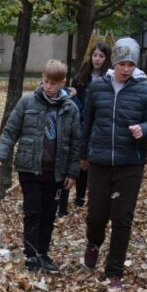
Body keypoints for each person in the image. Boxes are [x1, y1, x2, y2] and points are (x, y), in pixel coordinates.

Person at [81, 37, 147, 288]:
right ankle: (94, 242)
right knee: (96, 216)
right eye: (122, 63)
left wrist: (144, 129)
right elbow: (87, 123)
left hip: (130, 163)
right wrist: (83, 155)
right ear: (113, 63)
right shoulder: (97, 88)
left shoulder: (146, 89)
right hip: (100, 161)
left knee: (122, 218)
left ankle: (114, 270)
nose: (126, 69)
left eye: (130, 64)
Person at [0, 60, 80, 273]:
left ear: (62, 83)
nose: (48, 86)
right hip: (30, 168)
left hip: (56, 171)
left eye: (54, 83)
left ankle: (43, 253)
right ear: (42, 77)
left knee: (49, 213)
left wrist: (72, 172)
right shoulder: (27, 102)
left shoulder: (71, 108)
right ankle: (31, 255)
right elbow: (10, 131)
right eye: (46, 81)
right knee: (32, 211)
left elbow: (76, 143)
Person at [58, 42, 109, 217]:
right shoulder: (82, 76)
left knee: (89, 160)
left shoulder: (108, 77)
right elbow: (73, 98)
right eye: (95, 55)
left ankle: (82, 195)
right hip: (81, 120)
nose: (97, 59)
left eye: (101, 56)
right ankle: (71, 200)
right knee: (79, 157)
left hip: (99, 122)